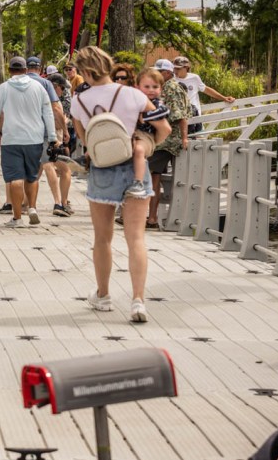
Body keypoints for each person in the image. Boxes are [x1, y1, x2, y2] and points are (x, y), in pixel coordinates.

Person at [70, 46, 171, 322]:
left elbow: (85, 139)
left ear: (86, 71)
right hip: (134, 167)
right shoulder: (134, 94)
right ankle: (138, 301)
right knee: (136, 238)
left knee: (102, 239)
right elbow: (164, 128)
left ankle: (103, 295)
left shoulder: (79, 101)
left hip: (102, 169)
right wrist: (147, 145)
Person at [0, 57, 56, 227]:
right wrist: (52, 136)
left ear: (9, 70)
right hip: (34, 138)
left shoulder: (4, 88)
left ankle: (17, 218)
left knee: (15, 178)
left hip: (11, 139)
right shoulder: (38, 87)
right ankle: (32, 208)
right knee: (32, 176)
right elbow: (48, 112)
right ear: (25, 70)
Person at [146, 59, 190, 228]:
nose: (155, 74)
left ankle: (150, 217)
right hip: (160, 140)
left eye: (158, 72)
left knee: (147, 172)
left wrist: (184, 138)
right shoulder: (163, 87)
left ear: (167, 73)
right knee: (153, 176)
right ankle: (151, 218)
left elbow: (181, 116)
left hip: (167, 141)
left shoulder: (172, 88)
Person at [24, 56, 67, 223]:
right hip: (43, 130)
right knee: (48, 164)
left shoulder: (16, 83)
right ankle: (58, 203)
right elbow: (56, 108)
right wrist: (63, 130)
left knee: (30, 167)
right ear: (40, 68)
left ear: (26, 68)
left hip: (23, 131)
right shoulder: (46, 84)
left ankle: (25, 203)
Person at [128, 68, 170, 198]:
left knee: (139, 150)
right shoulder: (133, 99)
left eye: (155, 87)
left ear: (161, 88)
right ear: (137, 86)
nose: (151, 90)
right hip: (130, 133)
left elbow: (164, 111)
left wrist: (145, 116)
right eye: (146, 87)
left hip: (146, 134)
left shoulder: (157, 102)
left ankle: (138, 182)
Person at [173, 56, 234, 136]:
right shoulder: (171, 79)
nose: (175, 71)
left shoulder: (194, 78)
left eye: (178, 68)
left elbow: (206, 90)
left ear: (186, 68)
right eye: (174, 68)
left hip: (195, 116)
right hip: (179, 117)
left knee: (198, 139)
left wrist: (224, 98)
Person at [47, 73, 74, 216]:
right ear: (55, 86)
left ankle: (26, 204)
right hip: (52, 140)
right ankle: (62, 203)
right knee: (65, 170)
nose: (63, 92)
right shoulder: (54, 101)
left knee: (36, 173)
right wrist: (65, 127)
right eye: (62, 88)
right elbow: (57, 120)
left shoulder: (39, 96)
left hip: (39, 140)